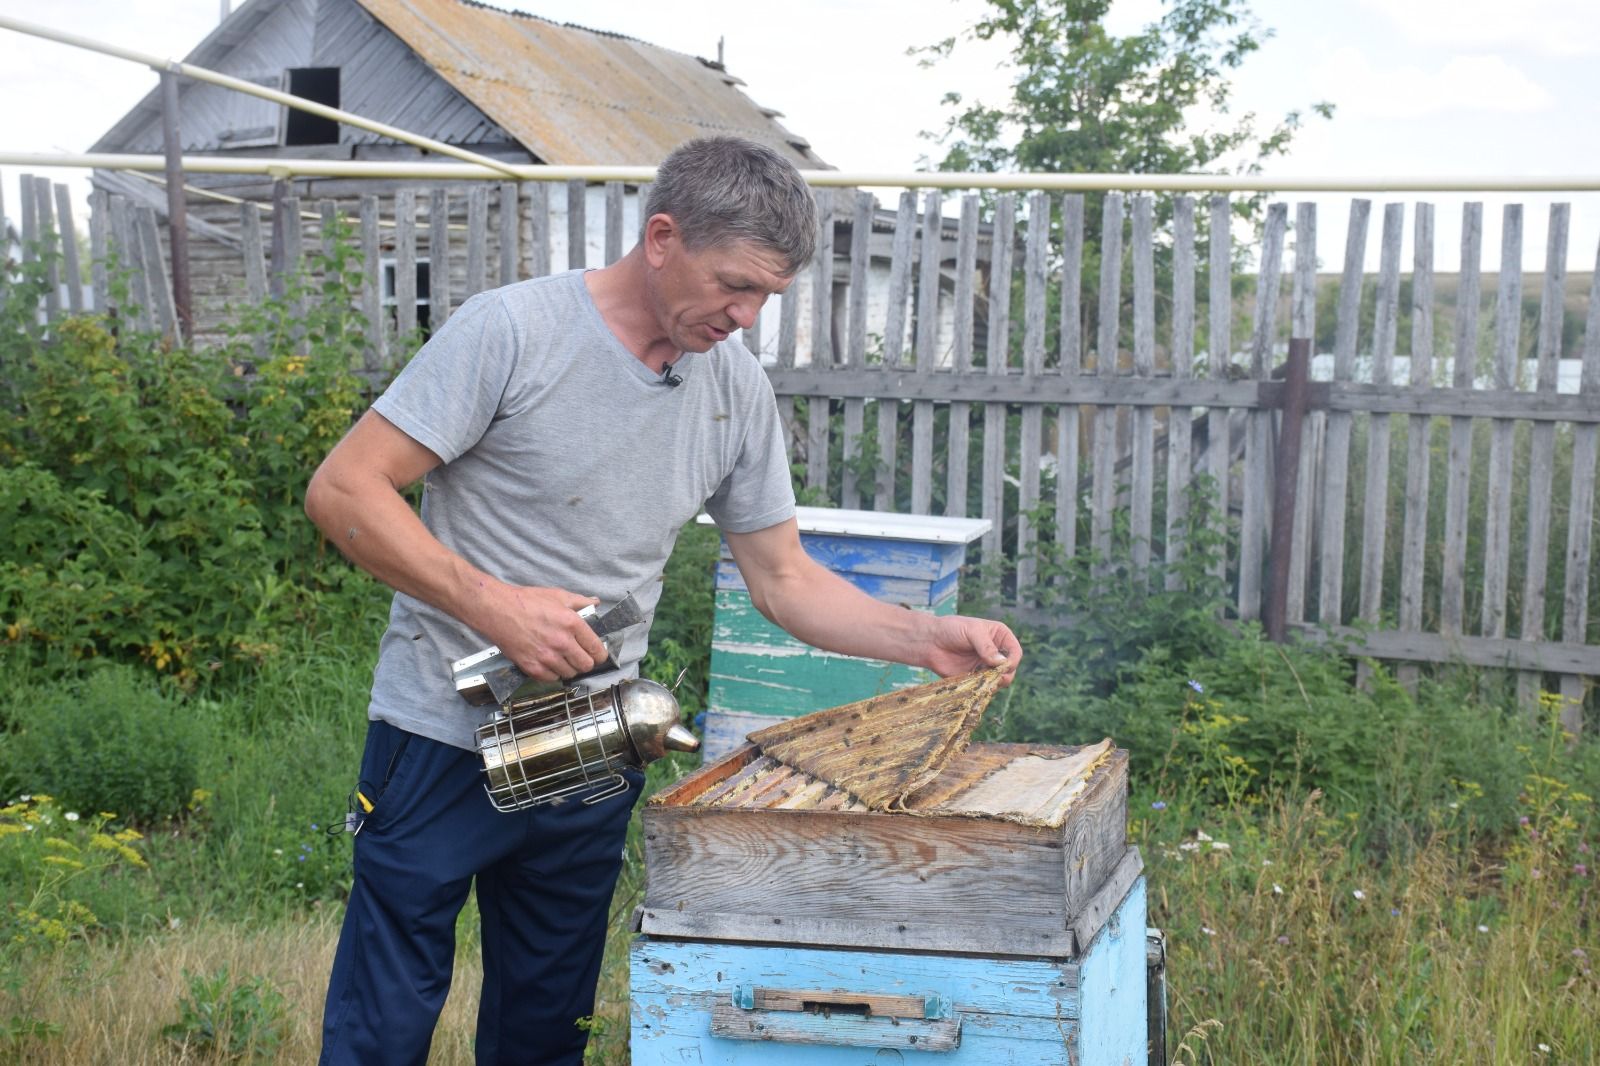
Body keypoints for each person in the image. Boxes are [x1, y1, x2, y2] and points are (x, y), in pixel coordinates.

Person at [303, 136, 1022, 1066]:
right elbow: (345, 489)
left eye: (765, 295)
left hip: (592, 741)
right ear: (662, 236)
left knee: (546, 1022)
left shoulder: (734, 388)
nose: (746, 315)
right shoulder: (512, 332)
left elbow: (785, 578)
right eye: (733, 284)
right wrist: (494, 607)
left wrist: (926, 635)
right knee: (384, 1019)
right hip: (444, 732)